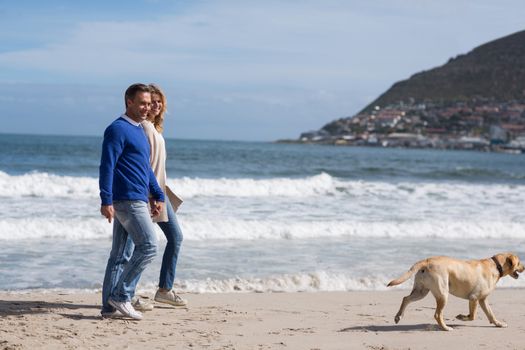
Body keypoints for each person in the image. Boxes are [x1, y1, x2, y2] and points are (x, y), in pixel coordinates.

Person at [99, 83, 165, 320]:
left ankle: (109, 307)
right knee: (149, 246)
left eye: (149, 103)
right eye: (142, 103)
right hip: (126, 199)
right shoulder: (117, 129)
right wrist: (106, 200)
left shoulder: (139, 130)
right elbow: (107, 166)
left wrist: (158, 194)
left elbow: (144, 167)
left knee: (119, 256)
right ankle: (122, 296)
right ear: (129, 102)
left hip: (138, 196)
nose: (147, 108)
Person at [140, 83, 186, 307]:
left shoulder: (155, 129)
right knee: (136, 245)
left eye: (160, 101)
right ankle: (125, 292)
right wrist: (151, 195)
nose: (157, 105)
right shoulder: (143, 128)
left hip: (160, 193)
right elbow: (143, 165)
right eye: (152, 101)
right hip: (149, 194)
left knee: (175, 237)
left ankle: (164, 289)